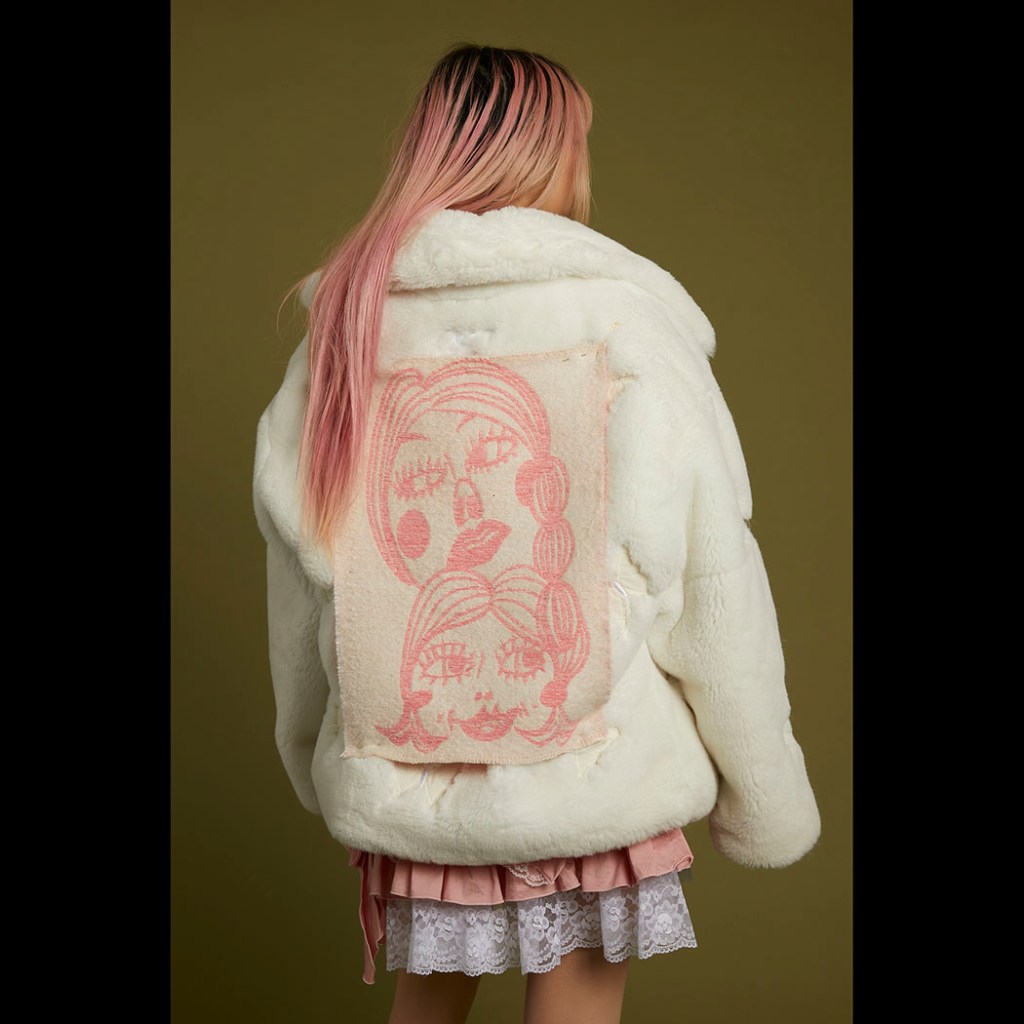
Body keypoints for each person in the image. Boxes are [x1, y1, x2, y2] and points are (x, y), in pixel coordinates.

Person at [253, 42, 821, 1024]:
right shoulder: (627, 324)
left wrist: (314, 749)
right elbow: (712, 586)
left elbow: (306, 591)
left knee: (424, 1013)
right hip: (595, 778)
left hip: (414, 781)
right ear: (553, 155)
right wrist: (763, 788)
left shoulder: (346, 330)